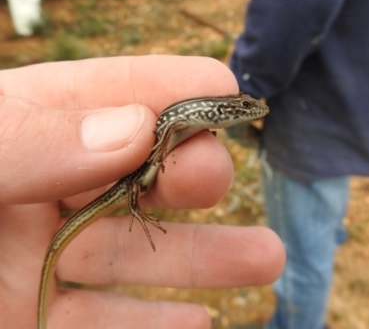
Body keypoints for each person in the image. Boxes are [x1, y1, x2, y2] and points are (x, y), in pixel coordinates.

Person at [0, 55, 285, 329]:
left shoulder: (210, 115)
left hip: (140, 174)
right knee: (142, 183)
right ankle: (134, 208)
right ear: (229, 110)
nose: (252, 110)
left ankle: (134, 207)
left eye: (248, 107)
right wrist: (161, 149)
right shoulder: (208, 110)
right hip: (133, 180)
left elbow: (185, 125)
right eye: (246, 107)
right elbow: (172, 124)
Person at [230, 0, 369, 329]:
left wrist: (241, 90)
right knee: (322, 210)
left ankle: (297, 322)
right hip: (367, 95)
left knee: (301, 260)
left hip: (313, 115)